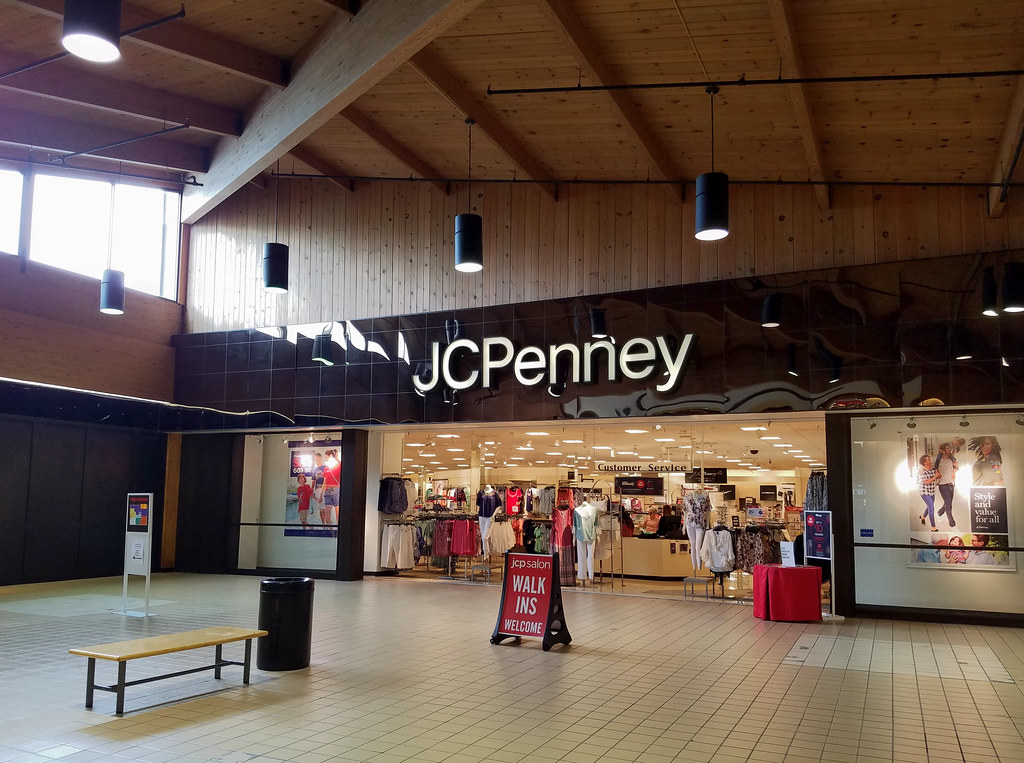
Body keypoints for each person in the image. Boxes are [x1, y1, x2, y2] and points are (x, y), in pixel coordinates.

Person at [934, 441, 958, 528]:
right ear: (942, 450)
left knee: (948, 503)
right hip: (943, 484)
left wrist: (954, 471)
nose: (949, 449)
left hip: (951, 483)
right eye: (947, 448)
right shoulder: (939, 459)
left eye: (949, 448)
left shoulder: (951, 458)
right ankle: (952, 523)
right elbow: (935, 468)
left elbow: (956, 466)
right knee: (948, 504)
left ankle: (939, 513)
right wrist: (937, 473)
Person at [917, 454, 939, 530]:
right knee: (931, 508)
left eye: (930, 459)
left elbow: (939, 476)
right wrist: (936, 476)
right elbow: (927, 482)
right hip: (924, 491)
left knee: (929, 506)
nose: (930, 461)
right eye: (928, 460)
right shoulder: (921, 471)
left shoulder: (933, 469)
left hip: (932, 490)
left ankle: (923, 517)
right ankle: (933, 527)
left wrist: (937, 473)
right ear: (924, 462)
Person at [321, 448, 340, 525]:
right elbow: (324, 482)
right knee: (327, 518)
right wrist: (321, 495)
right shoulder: (326, 468)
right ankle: (331, 533)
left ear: (331, 456)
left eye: (326, 457)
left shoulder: (339, 465)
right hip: (328, 491)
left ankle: (337, 534)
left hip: (336, 490)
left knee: (338, 518)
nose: (326, 459)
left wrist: (336, 455)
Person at [311, 452, 326, 518]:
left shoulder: (325, 467)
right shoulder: (314, 470)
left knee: (324, 507)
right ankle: (323, 525)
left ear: (320, 458)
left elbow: (327, 479)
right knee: (320, 508)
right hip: (317, 489)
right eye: (315, 459)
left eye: (317, 459)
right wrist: (311, 489)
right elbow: (313, 481)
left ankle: (326, 524)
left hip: (324, 488)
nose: (316, 461)